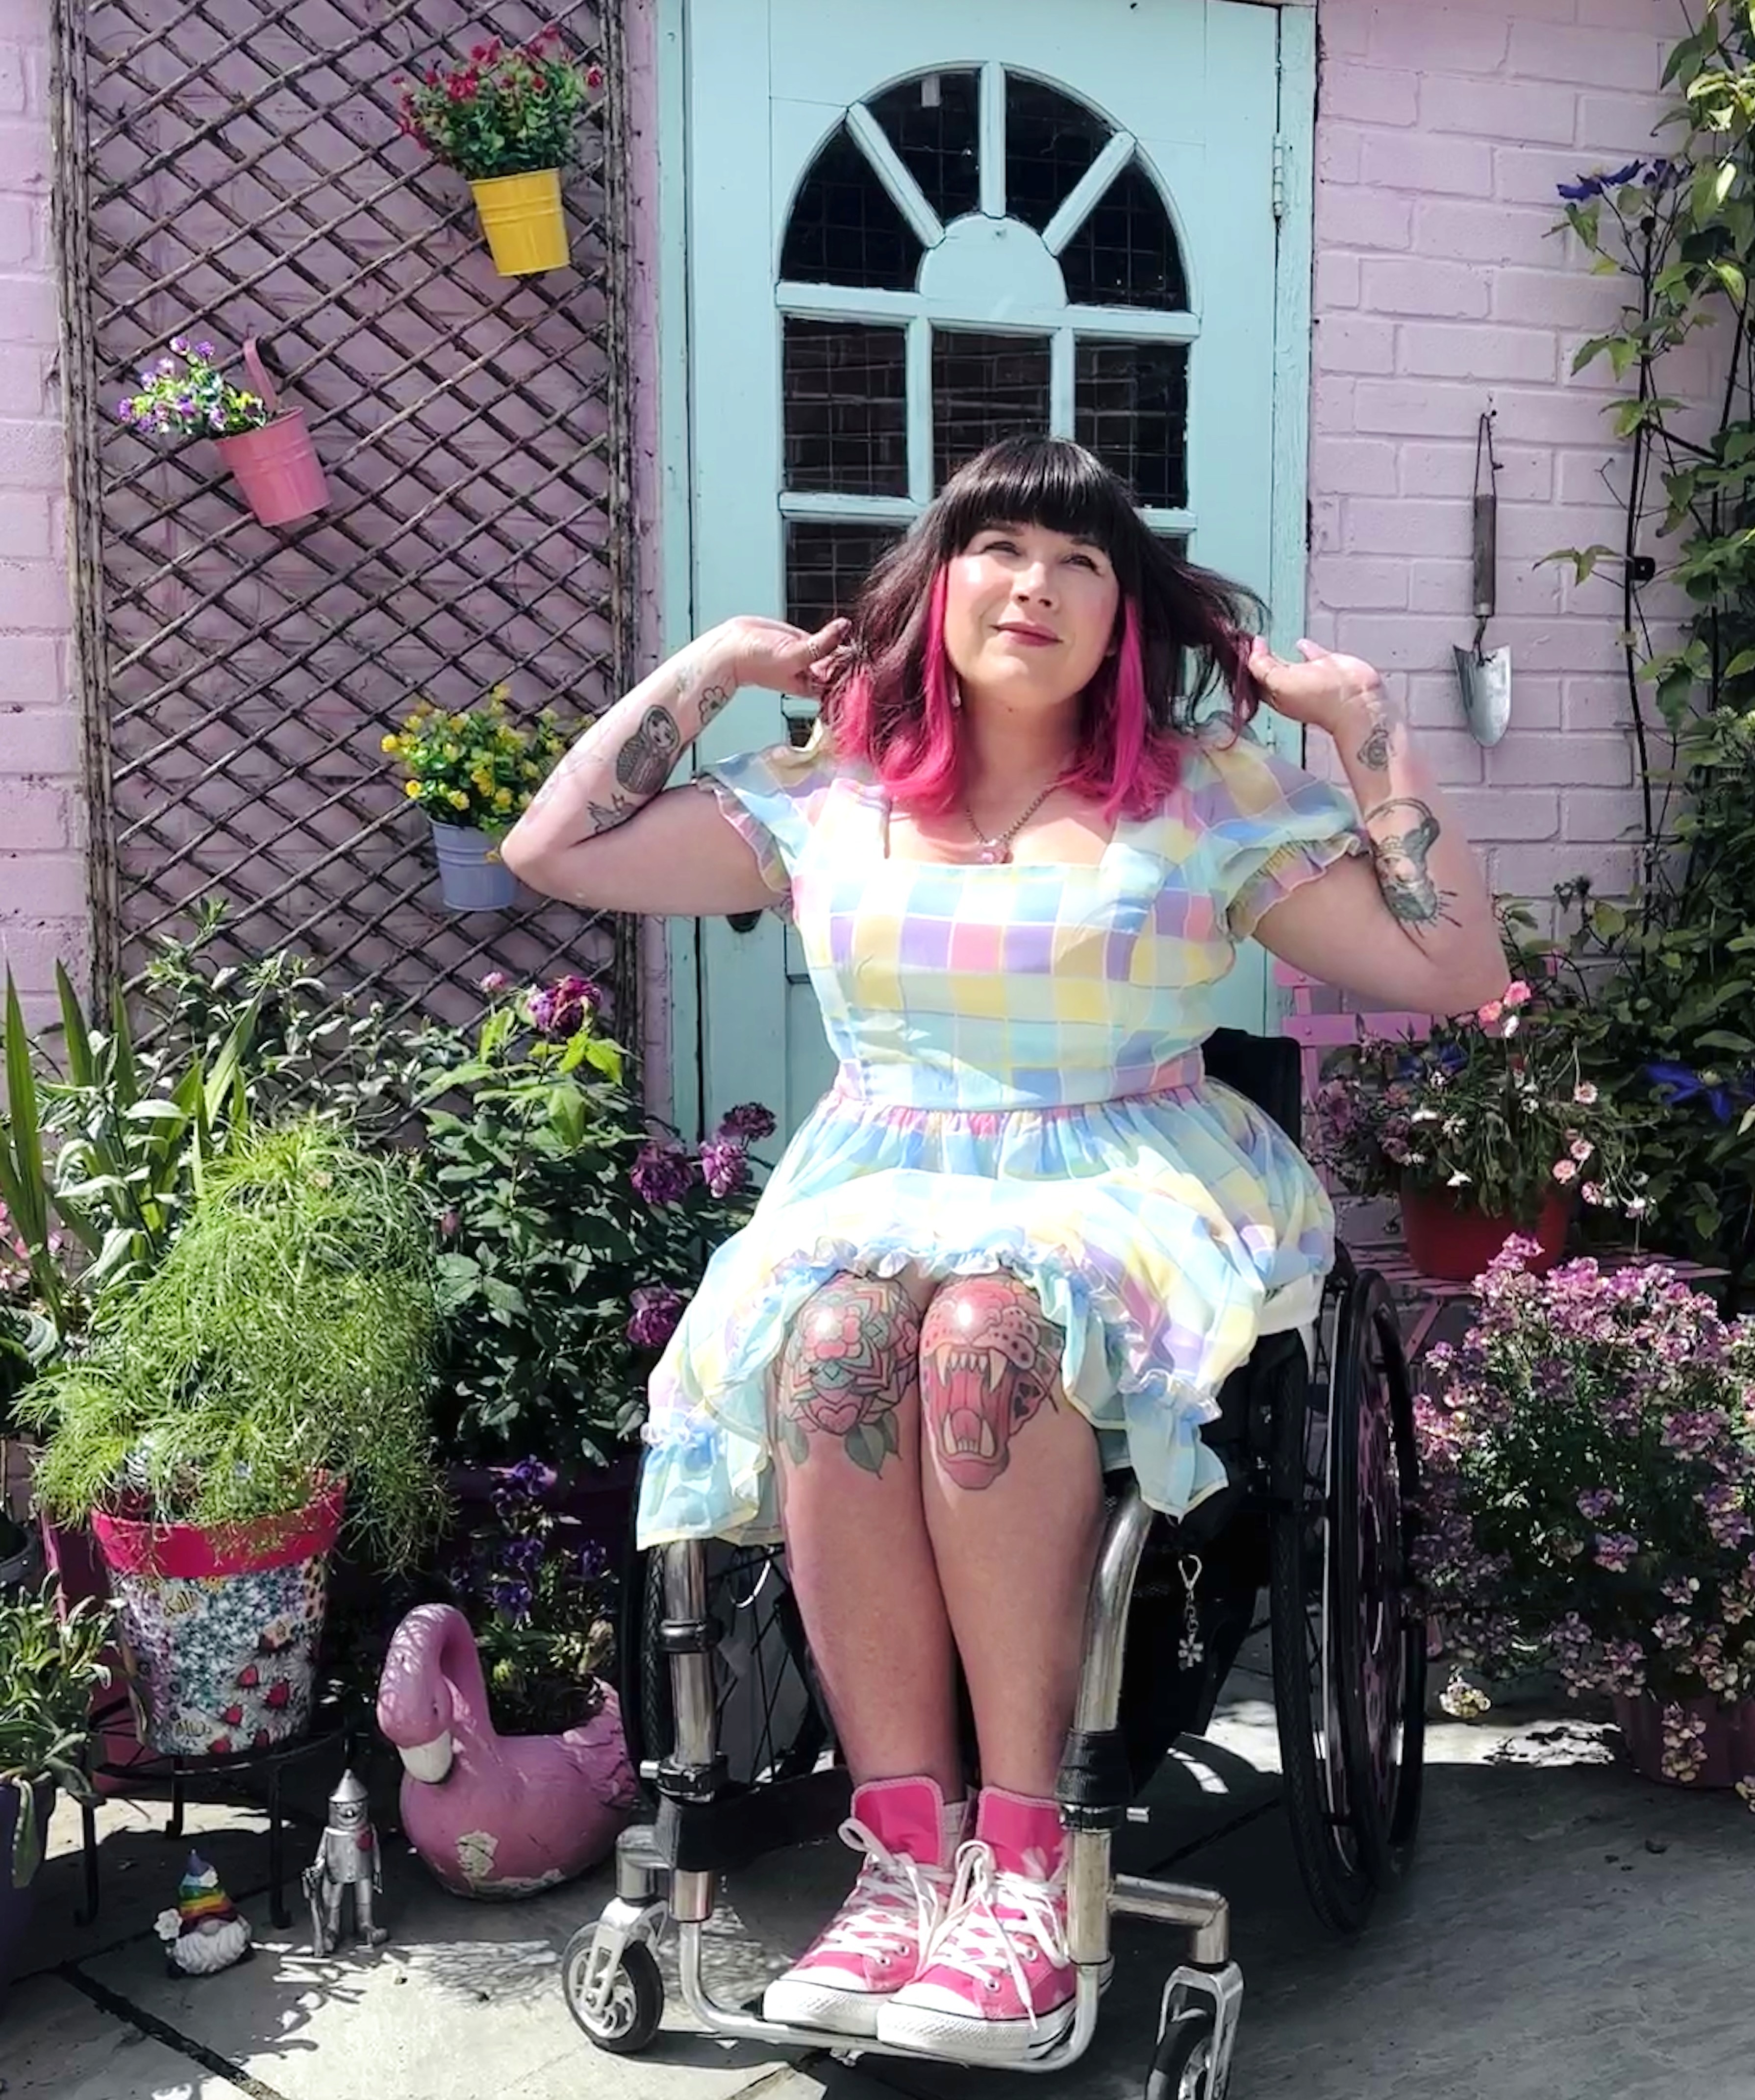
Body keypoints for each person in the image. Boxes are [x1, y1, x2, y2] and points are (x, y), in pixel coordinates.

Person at [504, 436, 1505, 2058]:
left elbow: (1453, 966)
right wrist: (711, 665)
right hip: (879, 1169)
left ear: (1128, 617)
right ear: (937, 584)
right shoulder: (837, 786)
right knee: (831, 1347)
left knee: (984, 1330)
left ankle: (1028, 1867)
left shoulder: (1203, 797)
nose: (1033, 583)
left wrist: (1365, 724)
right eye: (996, 548)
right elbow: (557, 848)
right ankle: (905, 1862)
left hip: (1122, 1163)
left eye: (1081, 561)